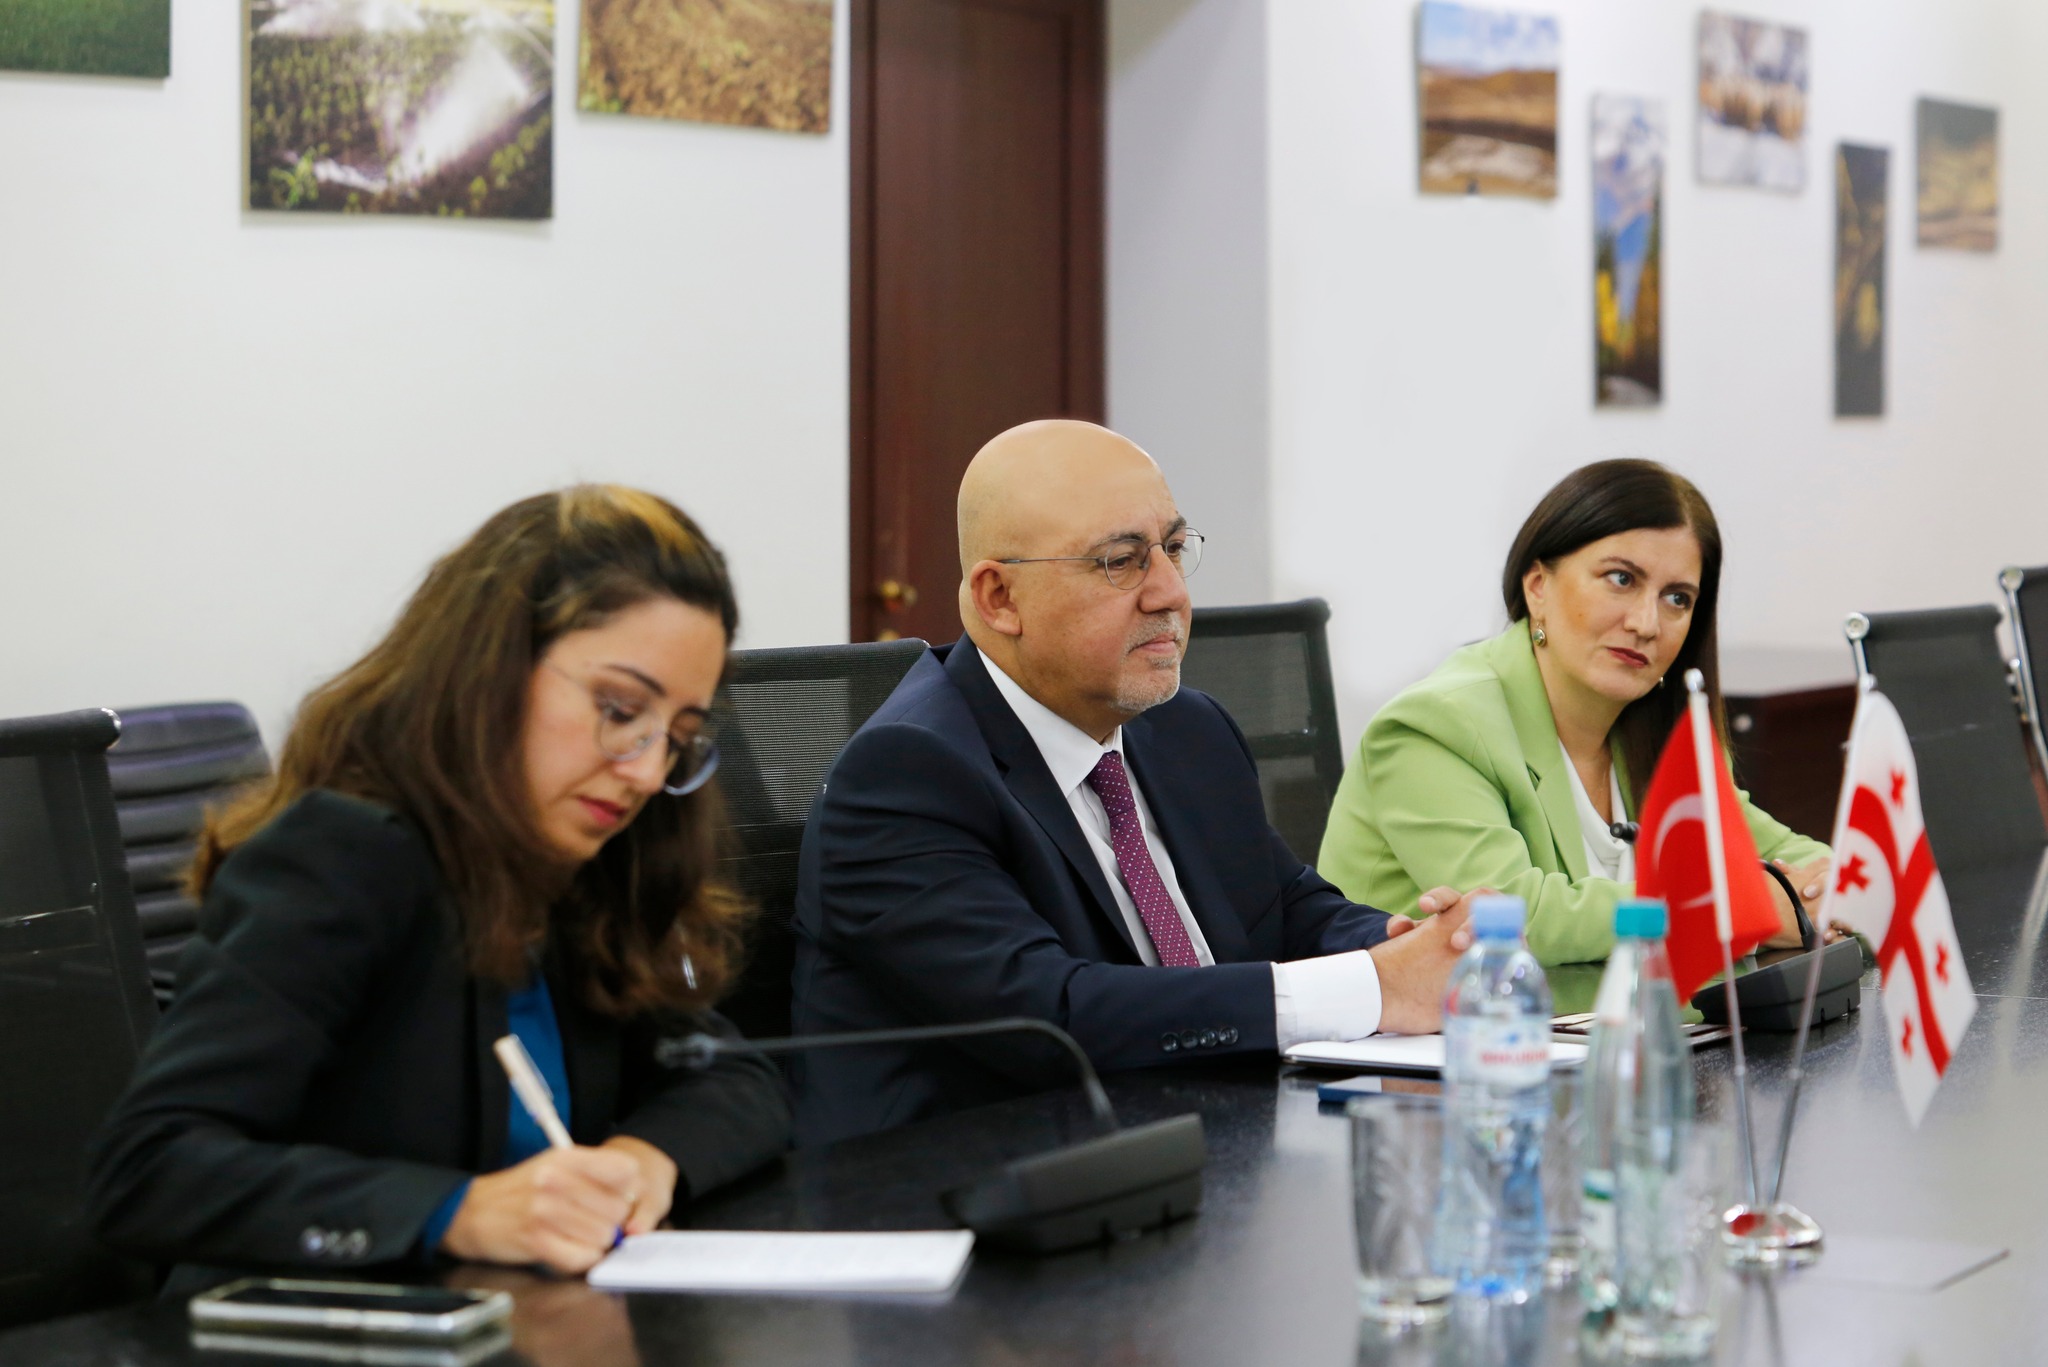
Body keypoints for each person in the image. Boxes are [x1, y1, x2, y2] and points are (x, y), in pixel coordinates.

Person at [86, 486, 790, 1291]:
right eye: (619, 707)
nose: (645, 769)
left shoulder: (585, 864)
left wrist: (643, 1160)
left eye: (678, 737)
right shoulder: (342, 859)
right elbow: (150, 1170)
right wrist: (456, 1210)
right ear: (489, 670)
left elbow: (734, 1076)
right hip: (308, 1327)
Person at [790, 420, 1475, 1144]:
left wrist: (1419, 947)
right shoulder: (906, 775)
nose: (1171, 593)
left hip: (1208, 1141)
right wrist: (1377, 986)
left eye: (1173, 550)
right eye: (1120, 561)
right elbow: (1051, 1015)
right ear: (1000, 598)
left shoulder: (1186, 728)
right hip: (984, 1179)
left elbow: (1287, 908)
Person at [1317, 459, 1831, 968]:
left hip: (1627, 1021)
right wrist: (1739, 911)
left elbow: (1813, 866)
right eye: (1621, 579)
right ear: (1537, 585)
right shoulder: (1434, 728)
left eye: (1677, 598)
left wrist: (1823, 891)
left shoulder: (1658, 731)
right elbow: (1519, 920)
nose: (1647, 623)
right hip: (1465, 1020)